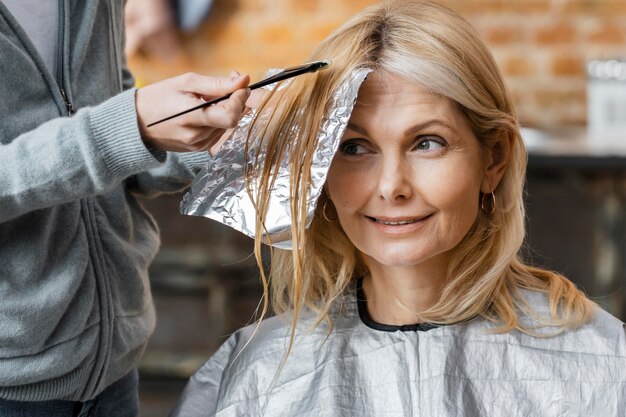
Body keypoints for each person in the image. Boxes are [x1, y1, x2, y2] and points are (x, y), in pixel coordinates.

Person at [171, 1, 626, 416]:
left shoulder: (601, 361)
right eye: (354, 147)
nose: (391, 187)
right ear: (320, 169)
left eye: (427, 143)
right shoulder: (255, 373)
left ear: (494, 158)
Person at [0, 1, 251, 416]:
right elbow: (107, 133)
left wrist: (213, 141)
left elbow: (109, 149)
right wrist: (129, 124)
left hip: (114, 375)